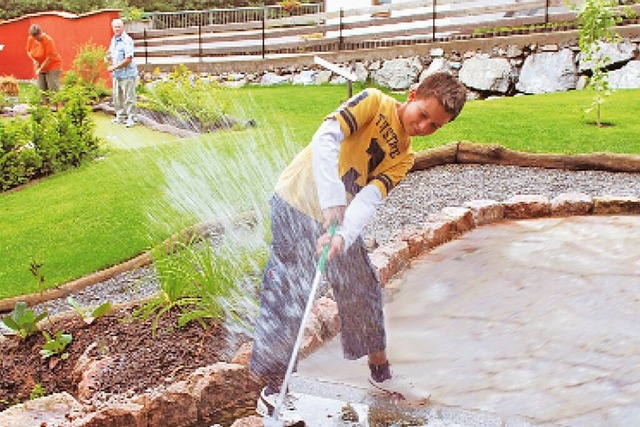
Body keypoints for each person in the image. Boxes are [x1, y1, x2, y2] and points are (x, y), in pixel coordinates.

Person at [250, 72, 467, 423]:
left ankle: (381, 376)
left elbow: (367, 201)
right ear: (412, 95)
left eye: (435, 127)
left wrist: (342, 236)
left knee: (362, 285)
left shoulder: (405, 158)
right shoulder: (373, 101)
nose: (424, 126)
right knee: (290, 293)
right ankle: (272, 389)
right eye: (423, 115)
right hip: (296, 203)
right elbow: (325, 138)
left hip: (336, 223)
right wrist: (333, 200)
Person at [107, 18, 138, 127]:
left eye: (118, 27)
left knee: (129, 98)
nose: (117, 29)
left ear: (123, 27)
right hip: (117, 75)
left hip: (127, 74)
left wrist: (114, 67)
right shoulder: (114, 39)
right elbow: (111, 52)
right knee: (117, 97)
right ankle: (120, 117)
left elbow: (128, 59)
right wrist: (108, 57)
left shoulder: (127, 40)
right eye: (115, 27)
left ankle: (131, 118)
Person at [26, 24, 63, 107]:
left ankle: (58, 108)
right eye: (34, 37)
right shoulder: (31, 39)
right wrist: (35, 61)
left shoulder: (48, 41)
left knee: (53, 87)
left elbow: (49, 58)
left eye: (38, 37)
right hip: (40, 66)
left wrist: (40, 68)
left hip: (53, 66)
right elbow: (28, 52)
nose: (36, 39)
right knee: (42, 88)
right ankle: (46, 108)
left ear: (40, 33)